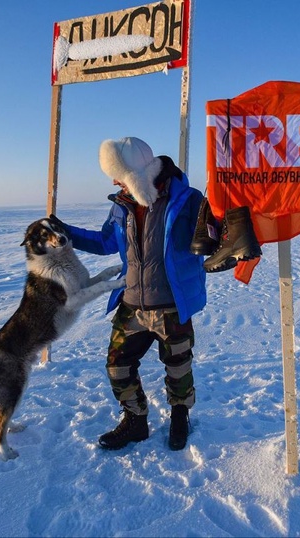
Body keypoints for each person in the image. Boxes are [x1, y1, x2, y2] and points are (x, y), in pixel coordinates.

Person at [58, 137, 206, 451]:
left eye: (117, 172)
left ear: (136, 170)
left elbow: (214, 235)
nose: (113, 180)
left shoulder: (186, 199)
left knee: (178, 367)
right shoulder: (122, 203)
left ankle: (180, 415)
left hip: (171, 305)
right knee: (117, 365)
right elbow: (104, 243)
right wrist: (65, 232)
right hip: (132, 303)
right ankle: (135, 420)